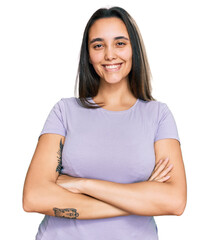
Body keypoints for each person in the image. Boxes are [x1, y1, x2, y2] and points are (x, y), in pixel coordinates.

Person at [22, 6, 187, 240]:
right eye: (98, 45)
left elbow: (174, 201)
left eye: (120, 43)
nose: (110, 54)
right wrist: (140, 201)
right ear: (88, 55)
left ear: (134, 49)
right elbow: (34, 197)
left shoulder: (158, 115)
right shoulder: (64, 111)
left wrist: (83, 184)